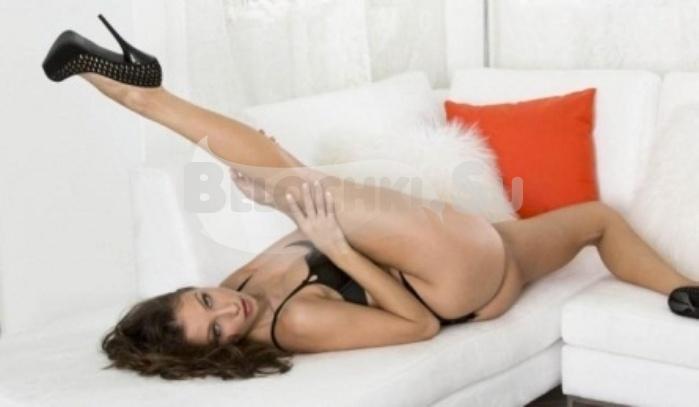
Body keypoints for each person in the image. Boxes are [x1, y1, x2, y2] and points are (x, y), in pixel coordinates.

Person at [42, 14, 699, 380]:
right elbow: (416, 326)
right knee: (302, 183)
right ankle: (142, 93)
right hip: (451, 284)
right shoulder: (290, 324)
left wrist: (280, 201)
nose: (228, 309)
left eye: (206, 300)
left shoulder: (240, 282)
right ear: (215, 350)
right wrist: (337, 247)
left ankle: (687, 293)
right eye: (216, 330)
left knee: (598, 220)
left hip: (495, 257)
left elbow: (305, 229)